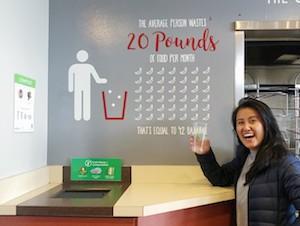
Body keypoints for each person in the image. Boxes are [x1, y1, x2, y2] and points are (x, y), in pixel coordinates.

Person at [189, 97, 300, 226]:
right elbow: (219, 178)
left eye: (252, 121)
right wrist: (205, 154)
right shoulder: (244, 159)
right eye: (240, 122)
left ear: (267, 124)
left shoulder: (286, 162)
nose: (246, 127)